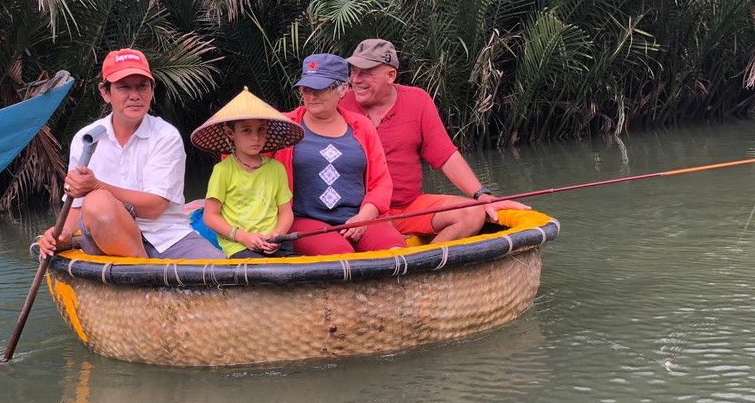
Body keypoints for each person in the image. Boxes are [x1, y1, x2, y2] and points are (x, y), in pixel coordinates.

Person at [38, 48, 224, 260]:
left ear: (152, 90)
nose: (134, 96)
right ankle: (144, 270)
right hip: (106, 238)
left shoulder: (166, 136)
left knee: (220, 267)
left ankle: (140, 272)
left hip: (167, 236)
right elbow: (77, 207)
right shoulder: (86, 138)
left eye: (142, 86)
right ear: (105, 92)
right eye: (124, 87)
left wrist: (97, 185)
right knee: (97, 202)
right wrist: (61, 233)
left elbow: (155, 207)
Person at [341, 38, 529, 243]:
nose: (356, 80)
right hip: (360, 211)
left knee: (473, 214)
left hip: (408, 207)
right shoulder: (340, 104)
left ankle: (430, 261)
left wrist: (481, 195)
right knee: (383, 239)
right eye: (353, 71)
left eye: (366, 73)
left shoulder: (417, 101)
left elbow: (446, 155)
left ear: (391, 75)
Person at [271, 54, 407, 255]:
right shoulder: (282, 126)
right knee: (340, 253)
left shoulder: (363, 126)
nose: (312, 96)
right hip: (303, 220)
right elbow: (245, 160)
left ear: (343, 89)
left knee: (396, 250)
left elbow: (381, 183)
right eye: (306, 89)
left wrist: (364, 217)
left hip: (358, 217)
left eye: (321, 89)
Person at [190, 88, 303, 259]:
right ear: (230, 133)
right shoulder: (223, 170)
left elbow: (286, 211)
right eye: (247, 130)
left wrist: (277, 234)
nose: (256, 137)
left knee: (295, 270)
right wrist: (242, 236)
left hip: (274, 243)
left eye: (261, 130)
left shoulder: (276, 169)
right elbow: (210, 216)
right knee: (259, 273)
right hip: (238, 246)